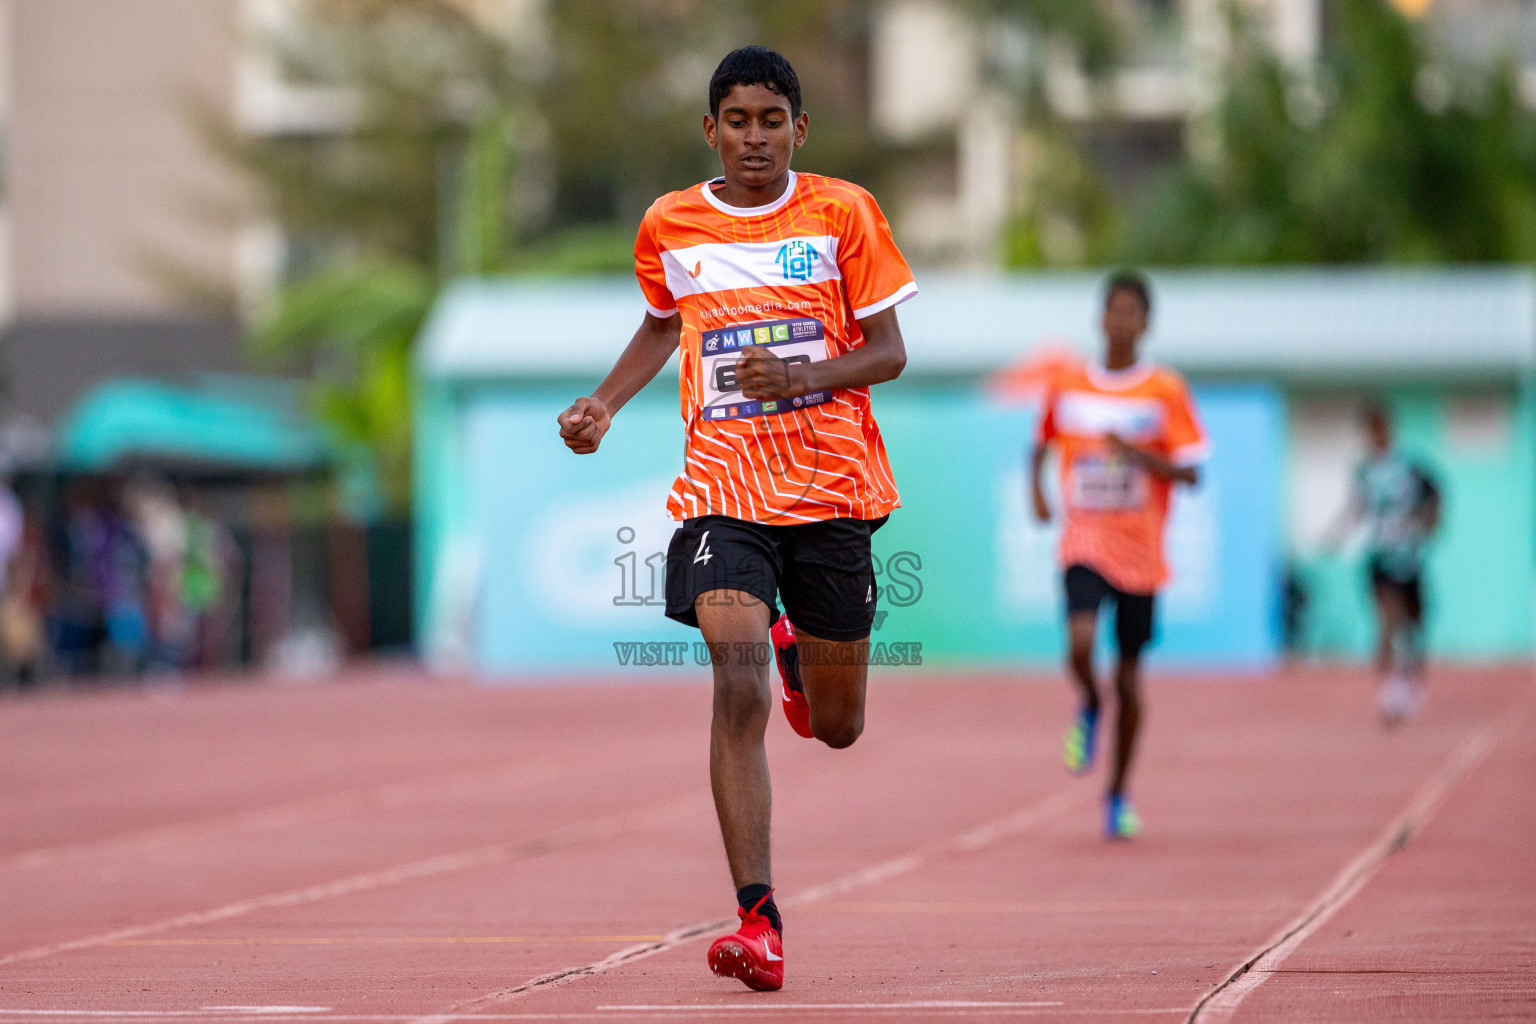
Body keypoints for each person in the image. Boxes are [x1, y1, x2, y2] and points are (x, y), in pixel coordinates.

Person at [557, 46, 915, 992]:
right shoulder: (669, 223)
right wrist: (603, 403)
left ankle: (804, 657)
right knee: (736, 680)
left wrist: (801, 376)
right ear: (710, 129)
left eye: (771, 119)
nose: (753, 136)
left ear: (800, 129)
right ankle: (759, 921)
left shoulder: (844, 211)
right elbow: (664, 322)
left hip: (833, 491)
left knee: (836, 728)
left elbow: (888, 351)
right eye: (736, 119)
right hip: (724, 493)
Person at [1029, 270, 1208, 840]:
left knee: (1131, 677)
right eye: (1113, 309)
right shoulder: (1070, 383)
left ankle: (1117, 794)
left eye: (1133, 311)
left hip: (1142, 549)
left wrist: (1137, 454)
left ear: (1146, 322)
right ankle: (1088, 699)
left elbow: (1191, 471)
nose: (1121, 320)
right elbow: (1041, 442)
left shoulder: (1165, 391)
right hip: (1085, 537)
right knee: (1080, 643)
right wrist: (1037, 491)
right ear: (1100, 317)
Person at [1326, 404, 1440, 726]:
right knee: (1387, 619)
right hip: (1380, 556)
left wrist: (1427, 524)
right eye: (1370, 430)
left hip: (1411, 556)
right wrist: (1334, 534)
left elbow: (1434, 498)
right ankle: (1392, 691)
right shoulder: (1363, 471)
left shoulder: (1410, 466)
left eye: (1380, 428)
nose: (1375, 435)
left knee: (1412, 625)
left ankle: (1411, 677)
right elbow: (1355, 508)